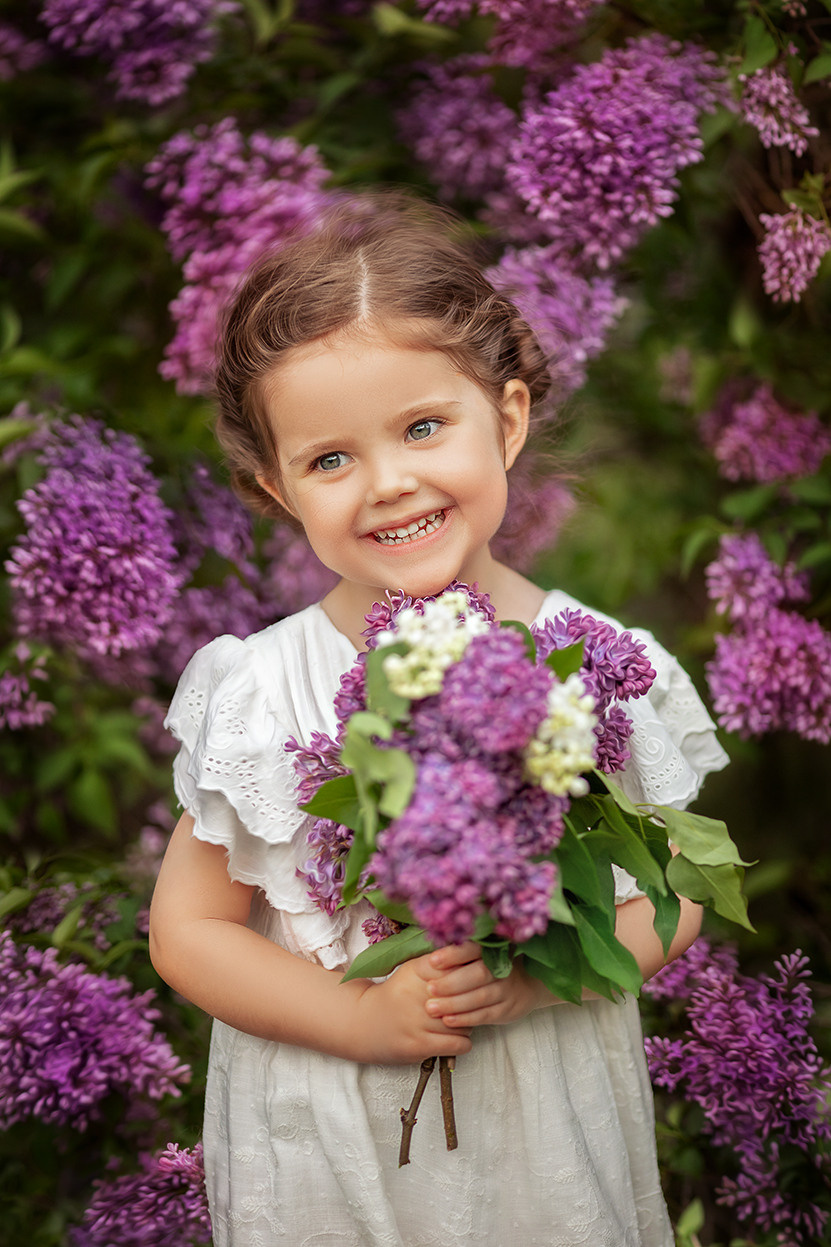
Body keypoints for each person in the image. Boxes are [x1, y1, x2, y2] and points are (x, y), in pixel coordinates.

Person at [149, 194, 728, 1247]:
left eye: (424, 426)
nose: (390, 483)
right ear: (276, 488)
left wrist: (542, 979)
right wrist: (362, 1017)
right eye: (330, 459)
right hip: (328, 1138)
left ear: (504, 419)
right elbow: (189, 931)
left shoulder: (600, 665)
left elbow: (678, 890)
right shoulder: (265, 685)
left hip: (538, 1111)